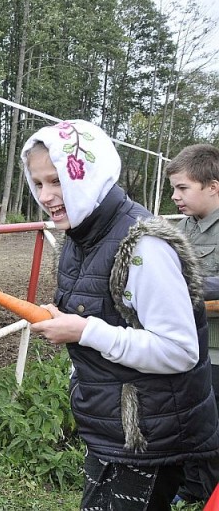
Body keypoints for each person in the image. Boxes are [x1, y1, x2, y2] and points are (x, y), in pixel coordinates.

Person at [20, 120, 219, 510]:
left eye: (58, 180)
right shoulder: (82, 234)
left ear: (88, 175)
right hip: (119, 427)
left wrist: (84, 331)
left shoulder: (143, 243)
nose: (46, 195)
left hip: (149, 433)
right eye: (38, 183)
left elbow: (179, 350)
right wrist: (65, 318)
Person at [165, 143, 219, 503]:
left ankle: (209, 491)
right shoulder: (182, 228)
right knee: (186, 417)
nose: (175, 197)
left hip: (215, 348)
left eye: (182, 188)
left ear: (212, 186)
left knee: (212, 422)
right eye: (174, 189)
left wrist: (178, 290)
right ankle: (191, 486)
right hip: (186, 342)